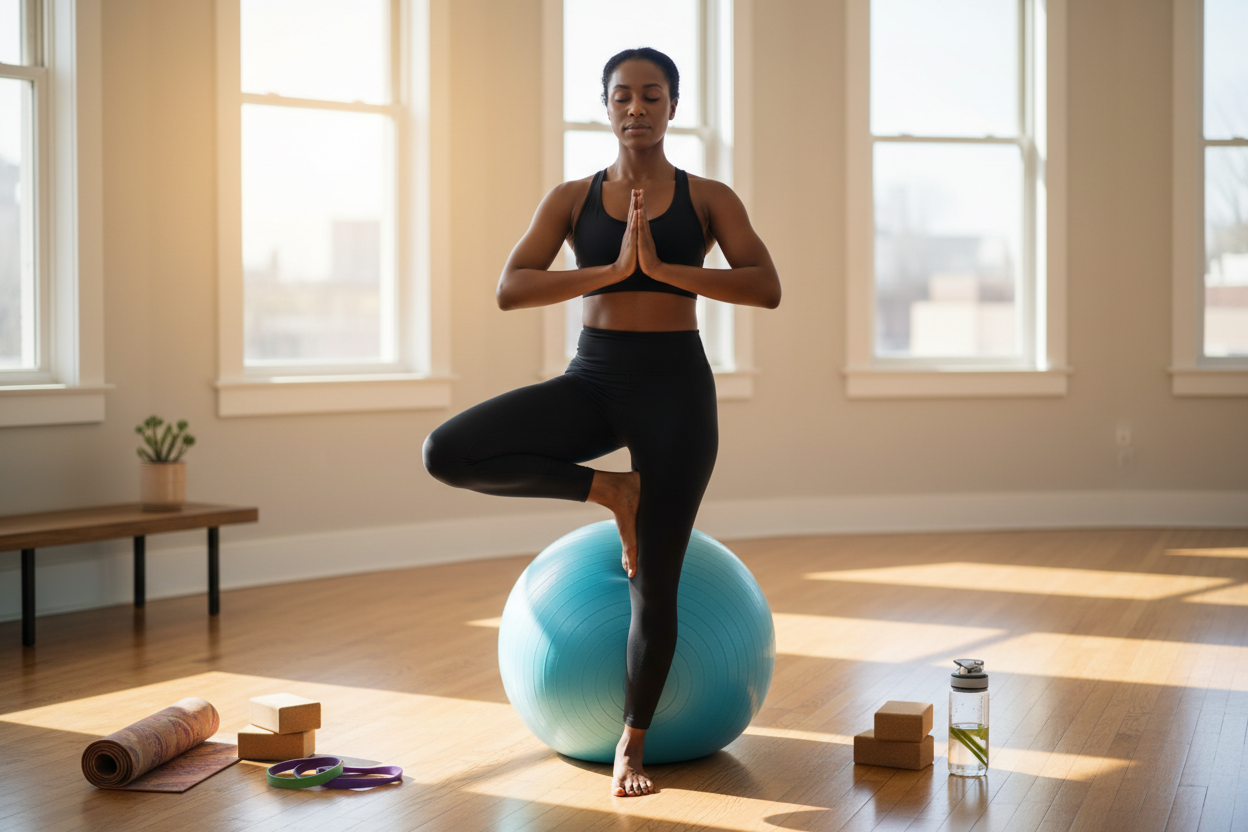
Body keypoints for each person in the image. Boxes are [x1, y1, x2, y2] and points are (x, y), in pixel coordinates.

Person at [423, 47, 780, 797]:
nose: (637, 108)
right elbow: (510, 288)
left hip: (677, 391)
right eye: (623, 96)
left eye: (652, 96)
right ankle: (609, 492)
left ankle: (631, 743)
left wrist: (664, 269)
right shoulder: (571, 197)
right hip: (595, 378)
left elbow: (765, 285)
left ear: (673, 107)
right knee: (448, 451)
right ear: (606, 105)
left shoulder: (709, 197)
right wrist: (611, 272)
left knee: (656, 586)